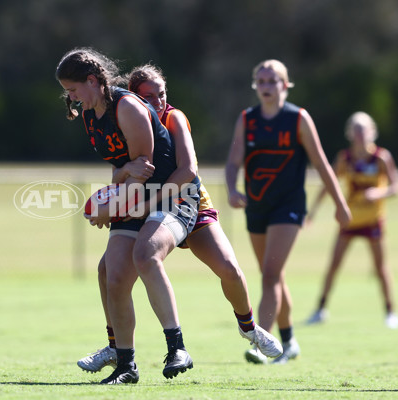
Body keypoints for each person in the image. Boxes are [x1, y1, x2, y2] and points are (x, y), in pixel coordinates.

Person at [76, 64, 282, 374]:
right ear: (133, 96)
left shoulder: (173, 117)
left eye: (162, 94)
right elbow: (123, 168)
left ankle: (249, 328)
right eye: (150, 96)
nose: (158, 101)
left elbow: (188, 171)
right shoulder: (124, 116)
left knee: (230, 270)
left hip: (187, 203)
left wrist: (140, 201)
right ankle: (116, 346)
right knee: (109, 271)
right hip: (146, 204)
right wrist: (118, 194)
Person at [56, 48, 202, 384]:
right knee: (113, 274)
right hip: (136, 196)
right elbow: (124, 167)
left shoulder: (129, 108)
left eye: (74, 89)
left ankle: (177, 347)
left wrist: (113, 205)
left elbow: (146, 171)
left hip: (171, 195)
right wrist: (118, 185)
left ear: (93, 80)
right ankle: (126, 365)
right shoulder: (91, 113)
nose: (72, 97)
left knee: (145, 254)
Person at [225, 60, 352, 365]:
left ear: (285, 84)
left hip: (289, 206)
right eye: (261, 81)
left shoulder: (298, 119)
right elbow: (233, 162)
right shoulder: (247, 119)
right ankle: (290, 342)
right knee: (274, 276)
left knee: (270, 275)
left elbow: (321, 163)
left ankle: (261, 343)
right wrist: (232, 189)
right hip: (256, 205)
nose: (266, 86)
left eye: (273, 80)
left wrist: (340, 204)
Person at [305, 111, 398, 329]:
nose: (360, 134)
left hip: (374, 221)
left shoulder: (381, 158)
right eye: (356, 129)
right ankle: (320, 309)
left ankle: (390, 312)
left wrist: (378, 194)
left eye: (363, 129)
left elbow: (396, 187)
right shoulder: (345, 158)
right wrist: (313, 211)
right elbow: (328, 184)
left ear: (372, 131)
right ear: (350, 133)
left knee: (380, 267)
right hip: (349, 221)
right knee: (334, 265)